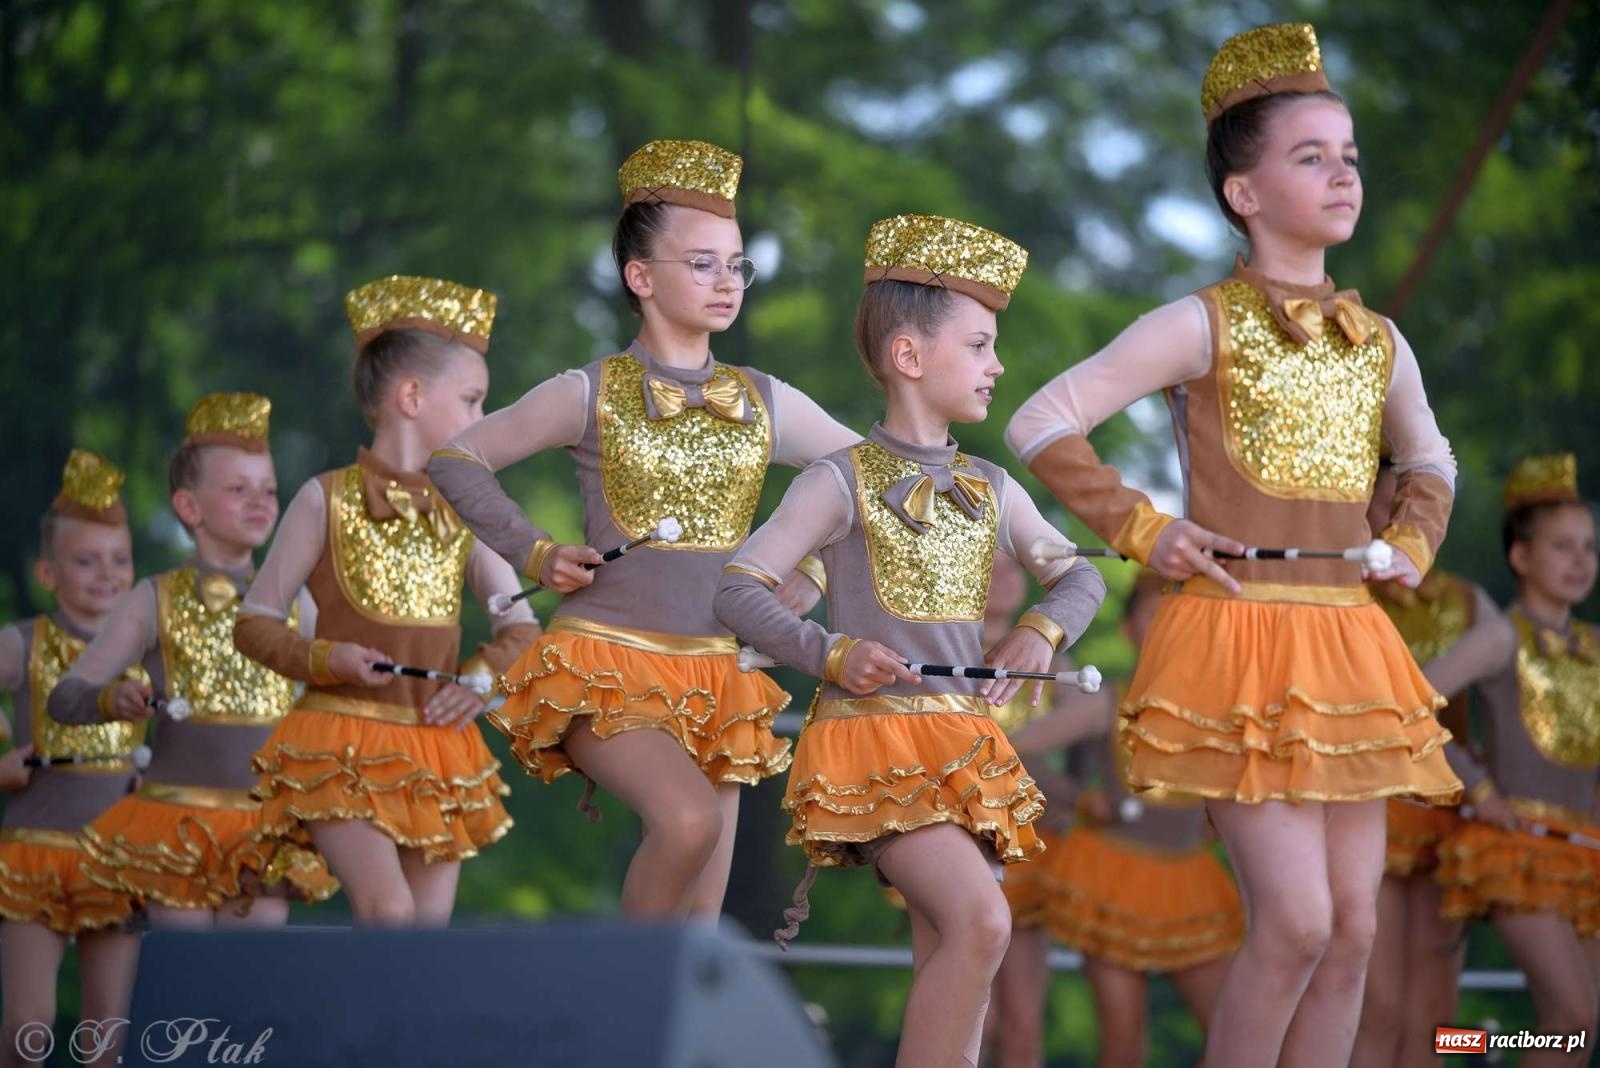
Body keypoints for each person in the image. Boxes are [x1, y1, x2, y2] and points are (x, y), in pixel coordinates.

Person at [1006, 24, 1460, 1066]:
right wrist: (1144, 527)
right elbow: (1040, 418)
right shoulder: (1200, 321)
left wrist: (1410, 542)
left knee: (1351, 934)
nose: (1341, 173)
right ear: (1242, 195)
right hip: (1236, 641)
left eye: (1347, 155)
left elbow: (1432, 461)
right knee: (1297, 923)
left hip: (1349, 643)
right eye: (1309, 156)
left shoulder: (1378, 340)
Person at [427, 139, 857, 919]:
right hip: (604, 665)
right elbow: (456, 457)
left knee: (701, 920)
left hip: (722, 676)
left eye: (737, 265)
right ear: (640, 277)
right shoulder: (588, 390)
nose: (727, 281)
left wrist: (814, 575)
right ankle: (612, 1006)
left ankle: (642, 1030)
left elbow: (875, 484)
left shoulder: (766, 400)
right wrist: (536, 549)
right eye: (703, 264)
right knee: (684, 820)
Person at [715, 212, 1107, 1068]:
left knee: (954, 948)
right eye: (979, 344)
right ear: (909, 356)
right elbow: (738, 589)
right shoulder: (837, 480)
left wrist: (1042, 631)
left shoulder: (995, 488)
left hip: (967, 744)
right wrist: (829, 651)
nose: (998, 363)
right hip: (874, 737)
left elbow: (1081, 575)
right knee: (982, 922)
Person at [234, 276, 541, 926]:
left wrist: (481, 679)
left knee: (423, 941)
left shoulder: (467, 513)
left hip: (436, 746)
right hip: (338, 737)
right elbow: (256, 621)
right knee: (390, 913)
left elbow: (522, 624)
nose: (482, 421)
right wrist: (327, 657)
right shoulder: (326, 498)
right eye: (472, 400)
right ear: (411, 396)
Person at [50, 394, 336, 927]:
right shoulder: (152, 598)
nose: (260, 502)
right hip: (173, 824)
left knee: (251, 995)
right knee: (190, 985)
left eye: (269, 490)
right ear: (188, 507)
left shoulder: (297, 601)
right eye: (237, 489)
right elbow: (65, 696)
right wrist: (114, 698)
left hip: (263, 827)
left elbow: (343, 683)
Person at [1435, 454, 1600, 1067]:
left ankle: (1478, 1047)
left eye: (1588, 546)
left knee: (1575, 1030)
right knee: (1573, 1016)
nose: (1580, 560)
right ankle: (1463, 1046)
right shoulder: (1501, 636)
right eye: (1562, 546)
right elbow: (1413, 704)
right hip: (1517, 846)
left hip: (1583, 851)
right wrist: (1478, 788)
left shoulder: (1595, 646)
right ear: (1521, 557)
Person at [1351, 456, 1515, 1068]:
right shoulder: (1343, 599)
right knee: (1379, 1007)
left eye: (1412, 509)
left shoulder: (1469, 605)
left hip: (1450, 814)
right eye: (1385, 506)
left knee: (1435, 1019)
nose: (1399, 523)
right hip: (1374, 810)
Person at [0, 451, 142, 1068]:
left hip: (119, 857)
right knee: (27, 1023)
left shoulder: (145, 646)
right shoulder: (23, 642)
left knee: (106, 1033)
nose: (106, 574)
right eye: (86, 561)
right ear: (48, 573)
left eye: (119, 560)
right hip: (35, 850)